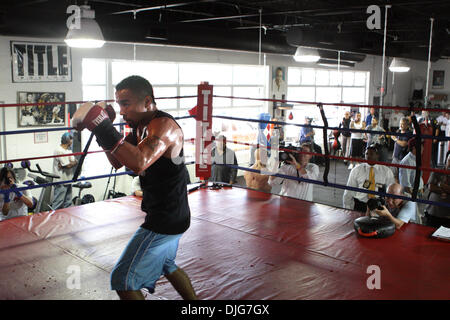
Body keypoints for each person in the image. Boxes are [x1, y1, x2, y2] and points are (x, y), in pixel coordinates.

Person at [72, 75, 197, 300]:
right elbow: (118, 161)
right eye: (119, 104)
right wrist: (102, 131)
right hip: (171, 212)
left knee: (123, 280)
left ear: (147, 101)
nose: (121, 111)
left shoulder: (164, 126)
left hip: (165, 218)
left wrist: (105, 128)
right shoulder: (141, 126)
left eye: (126, 104)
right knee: (168, 264)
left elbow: (139, 162)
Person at [343, 144, 395, 212]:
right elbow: (349, 191)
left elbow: (391, 191)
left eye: (371, 154)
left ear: (377, 155)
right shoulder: (357, 170)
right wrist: (347, 209)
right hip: (360, 205)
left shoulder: (386, 171)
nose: (368, 156)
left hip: (379, 205)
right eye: (366, 154)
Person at [52, 132, 78, 210]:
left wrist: (73, 163)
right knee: (58, 203)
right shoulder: (59, 150)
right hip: (61, 180)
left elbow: (74, 162)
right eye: (71, 140)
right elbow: (67, 165)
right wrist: (71, 163)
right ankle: (53, 220)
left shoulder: (68, 150)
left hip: (68, 179)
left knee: (68, 203)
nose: (72, 141)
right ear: (68, 140)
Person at [424, 152, 450, 227]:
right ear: (446, 160)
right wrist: (446, 189)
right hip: (432, 212)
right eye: (449, 160)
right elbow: (431, 187)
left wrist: (441, 184)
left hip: (447, 216)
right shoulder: (437, 171)